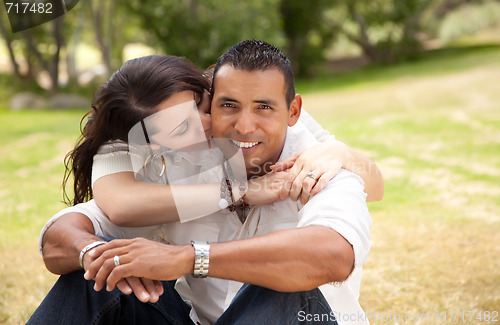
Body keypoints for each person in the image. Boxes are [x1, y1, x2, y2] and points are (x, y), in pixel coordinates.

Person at [30, 41, 375, 325]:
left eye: (264, 108)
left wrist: (189, 258)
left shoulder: (319, 164)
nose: (243, 126)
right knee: (95, 275)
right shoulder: (177, 167)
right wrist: (95, 254)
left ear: (293, 111)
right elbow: (64, 234)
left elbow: (332, 255)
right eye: (227, 106)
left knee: (287, 277)